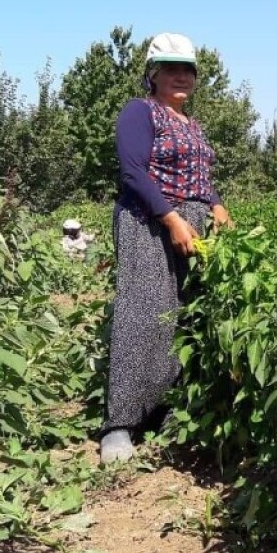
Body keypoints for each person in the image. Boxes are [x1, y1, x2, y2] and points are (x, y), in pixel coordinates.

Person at [100, 33, 232, 464]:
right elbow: (134, 172)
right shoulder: (141, 112)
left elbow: (201, 178)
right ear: (152, 74)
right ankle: (119, 425)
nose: (181, 76)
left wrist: (215, 204)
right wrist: (171, 218)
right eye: (171, 68)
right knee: (142, 312)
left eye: (188, 70)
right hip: (148, 222)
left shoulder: (192, 125)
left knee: (183, 316)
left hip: (190, 225)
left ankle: (162, 414)